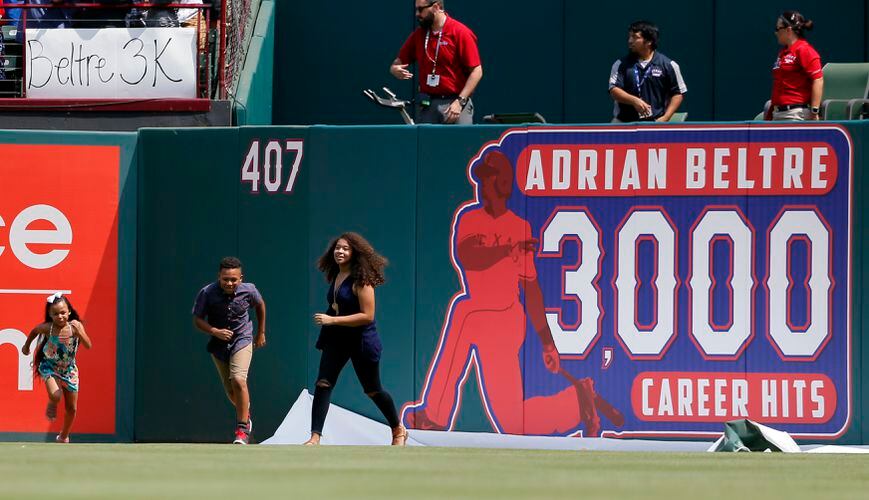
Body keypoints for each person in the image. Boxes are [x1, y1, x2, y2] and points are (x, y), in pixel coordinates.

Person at [401, 151, 623, 437]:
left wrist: (547, 343)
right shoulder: (470, 218)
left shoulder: (519, 226)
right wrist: (507, 250)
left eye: (489, 178)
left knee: (463, 312)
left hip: (505, 316)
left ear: (504, 183)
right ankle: (577, 403)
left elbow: (531, 289)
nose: (482, 184)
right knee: (513, 423)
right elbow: (468, 256)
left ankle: (435, 415)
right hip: (481, 312)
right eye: (481, 178)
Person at [305, 233, 407, 446]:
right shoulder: (336, 275)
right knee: (323, 383)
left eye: (345, 249)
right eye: (337, 248)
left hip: (361, 340)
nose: (340, 252)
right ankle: (315, 437)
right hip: (336, 339)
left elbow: (367, 316)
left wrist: (332, 320)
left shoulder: (362, 280)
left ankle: (398, 428)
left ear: (354, 254)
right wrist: (332, 322)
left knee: (372, 389)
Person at [192, 257, 267, 445]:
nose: (230, 283)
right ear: (219, 276)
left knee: (239, 379)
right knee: (231, 391)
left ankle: (242, 429)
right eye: (226, 279)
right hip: (218, 345)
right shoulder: (207, 293)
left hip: (242, 339)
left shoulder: (249, 290)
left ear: (241, 278)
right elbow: (198, 319)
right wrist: (214, 331)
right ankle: (246, 414)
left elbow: (260, 305)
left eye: (234, 279)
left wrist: (261, 333)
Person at [390, 0, 483, 124]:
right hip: (427, 104)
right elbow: (398, 62)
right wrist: (395, 69)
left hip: (454, 104)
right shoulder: (419, 34)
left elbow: (477, 71)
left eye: (421, 9)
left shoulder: (460, 32)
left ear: (436, 7)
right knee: (426, 143)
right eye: (416, 10)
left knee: (459, 143)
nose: (417, 14)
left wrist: (460, 101)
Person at [21, 292, 93, 443]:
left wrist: (80, 333)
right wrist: (26, 346)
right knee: (55, 395)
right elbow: (35, 330)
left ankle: (64, 436)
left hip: (69, 370)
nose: (60, 316)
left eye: (63, 313)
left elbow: (88, 345)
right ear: (50, 315)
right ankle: (52, 402)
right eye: (55, 314)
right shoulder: (48, 328)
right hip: (50, 366)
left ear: (69, 312)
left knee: (71, 409)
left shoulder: (75, 326)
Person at [609, 21, 687, 122]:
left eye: (635, 37)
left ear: (649, 41)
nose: (630, 41)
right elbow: (614, 90)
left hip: (655, 124)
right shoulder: (620, 64)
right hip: (624, 124)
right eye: (629, 37)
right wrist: (634, 101)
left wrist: (666, 117)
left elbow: (678, 93)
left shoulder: (669, 65)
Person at [766, 11, 823, 121]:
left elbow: (818, 79)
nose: (775, 32)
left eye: (778, 29)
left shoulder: (804, 50)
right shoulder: (783, 52)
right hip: (778, 113)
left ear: (788, 30)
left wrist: (815, 111)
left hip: (795, 114)